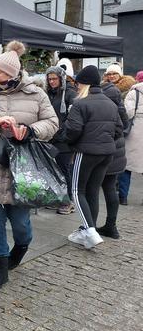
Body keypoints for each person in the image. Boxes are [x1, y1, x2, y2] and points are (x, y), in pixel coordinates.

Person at [0, 41, 58, 291]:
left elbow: (52, 123)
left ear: (12, 73)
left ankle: (21, 247)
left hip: (23, 168)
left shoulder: (36, 93)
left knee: (20, 224)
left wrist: (29, 131)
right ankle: (0, 266)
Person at [63, 66, 122, 249]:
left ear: (85, 83)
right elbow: (119, 130)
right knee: (92, 191)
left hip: (86, 152)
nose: (77, 86)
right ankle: (89, 229)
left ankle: (89, 230)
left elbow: (72, 131)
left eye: (78, 83)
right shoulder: (110, 103)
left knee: (76, 191)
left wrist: (68, 142)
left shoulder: (81, 103)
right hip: (106, 153)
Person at [97, 79, 129, 239]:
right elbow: (125, 128)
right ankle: (111, 226)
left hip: (105, 152)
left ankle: (89, 227)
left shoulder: (106, 107)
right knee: (110, 189)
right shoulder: (120, 107)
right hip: (118, 152)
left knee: (92, 189)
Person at [45, 65, 77, 215]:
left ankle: (69, 201)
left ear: (61, 78)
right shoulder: (48, 94)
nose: (51, 81)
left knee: (64, 170)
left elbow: (73, 118)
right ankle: (58, 198)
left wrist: (61, 132)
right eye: (49, 79)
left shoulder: (70, 93)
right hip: (50, 138)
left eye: (54, 78)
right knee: (53, 170)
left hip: (64, 139)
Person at [122, 71, 143, 200]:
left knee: (127, 166)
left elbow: (128, 114)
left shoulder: (133, 93)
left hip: (134, 133)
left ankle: (123, 197)